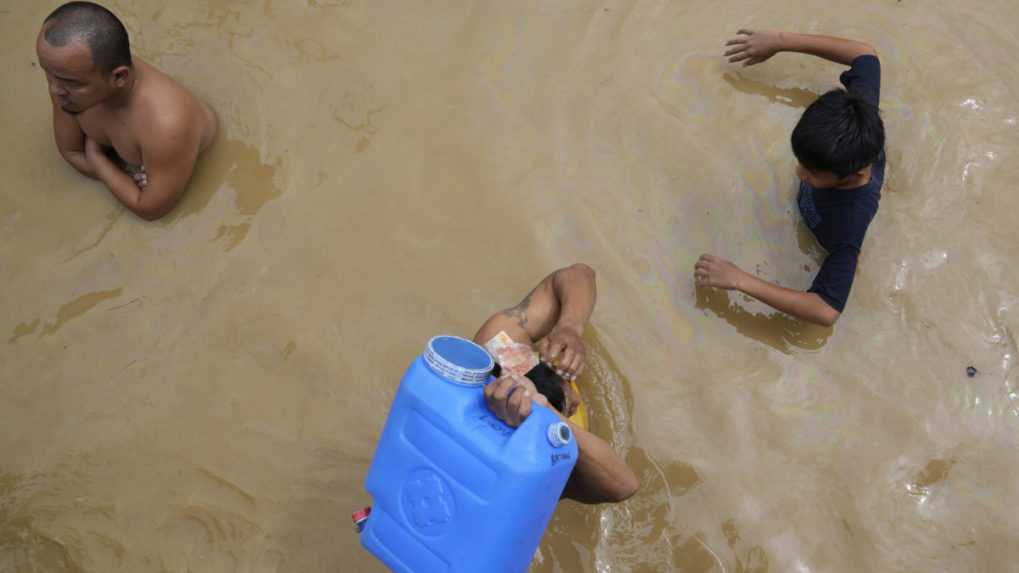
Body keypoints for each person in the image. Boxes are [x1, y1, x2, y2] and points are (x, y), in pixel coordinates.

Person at [695, 30, 886, 326]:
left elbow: (826, 310)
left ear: (853, 175)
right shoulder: (858, 109)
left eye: (811, 172)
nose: (799, 173)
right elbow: (865, 54)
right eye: (800, 163)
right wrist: (781, 43)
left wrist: (741, 280)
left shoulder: (849, 224)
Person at [473, 263, 639, 504]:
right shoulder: (547, 462)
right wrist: (543, 414)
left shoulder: (500, 346)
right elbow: (625, 484)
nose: (578, 397)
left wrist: (569, 328)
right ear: (570, 408)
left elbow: (580, 273)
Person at [36, 1, 218, 221]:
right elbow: (71, 153)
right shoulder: (68, 81)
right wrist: (119, 175)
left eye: (69, 82)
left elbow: (151, 209)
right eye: (48, 73)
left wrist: (96, 156)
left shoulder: (167, 126)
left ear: (119, 78)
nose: (55, 90)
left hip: (179, 150)